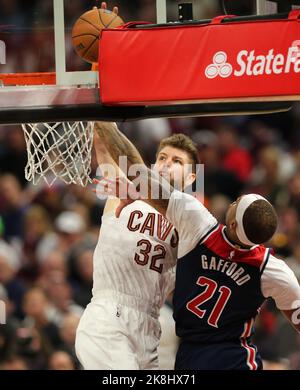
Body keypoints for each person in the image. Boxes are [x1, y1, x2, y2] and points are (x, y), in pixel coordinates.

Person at [98, 167, 300, 370]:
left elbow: (143, 176)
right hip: (236, 358)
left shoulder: (199, 225)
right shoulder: (272, 270)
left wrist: (135, 189)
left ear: (232, 224)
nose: (233, 201)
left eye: (237, 202)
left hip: (192, 354)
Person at [75, 120, 199, 369]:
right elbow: (104, 145)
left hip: (151, 327)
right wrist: (98, 112)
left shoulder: (191, 220)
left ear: (192, 177)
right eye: (163, 157)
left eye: (177, 161)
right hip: (110, 316)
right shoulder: (122, 188)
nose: (167, 163)